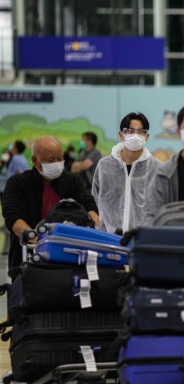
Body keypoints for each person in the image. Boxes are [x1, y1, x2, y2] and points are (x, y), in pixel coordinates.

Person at [1, 136, 99, 274]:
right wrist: (39, 241)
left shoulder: (72, 181)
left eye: (60, 158)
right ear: (35, 161)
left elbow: (89, 204)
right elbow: (13, 217)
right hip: (28, 258)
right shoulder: (17, 183)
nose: (58, 163)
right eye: (51, 160)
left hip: (70, 258)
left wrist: (94, 228)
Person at [92, 112, 160, 234]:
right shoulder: (105, 165)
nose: (135, 136)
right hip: (109, 239)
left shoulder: (157, 168)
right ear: (121, 135)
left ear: (147, 137)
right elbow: (95, 198)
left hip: (143, 240)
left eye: (141, 132)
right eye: (130, 131)